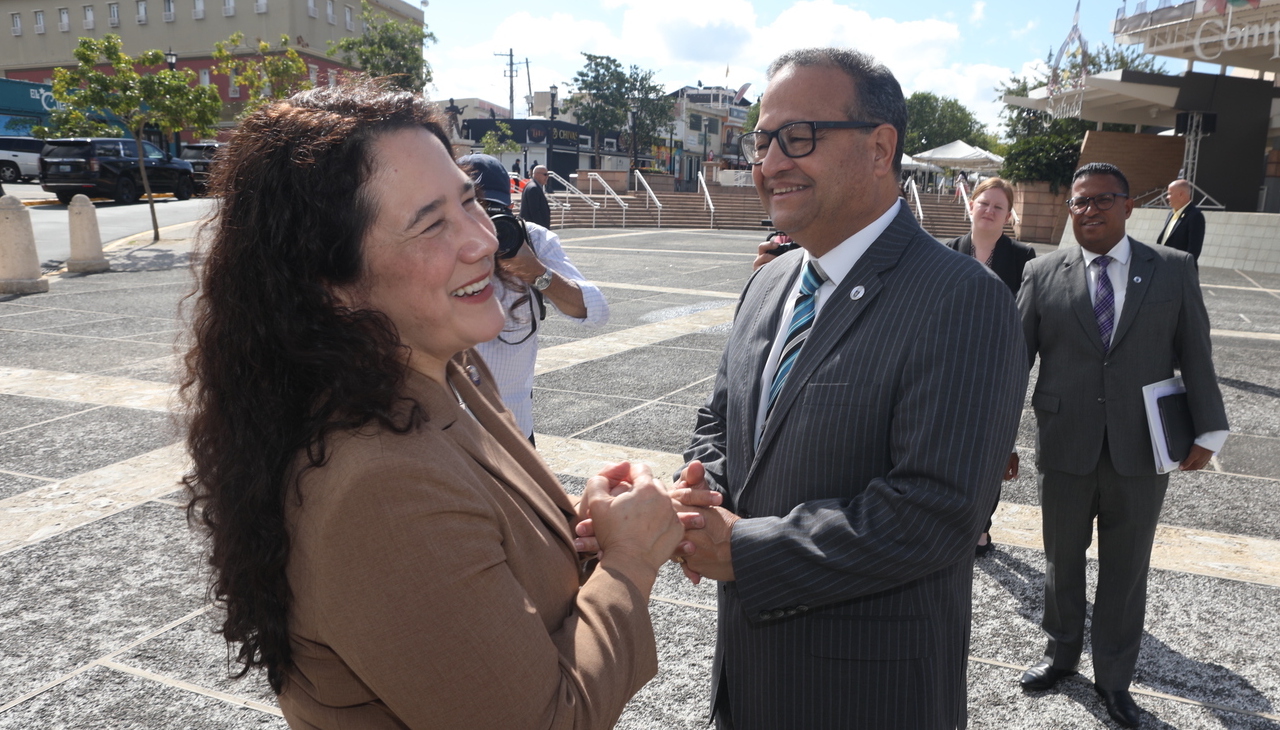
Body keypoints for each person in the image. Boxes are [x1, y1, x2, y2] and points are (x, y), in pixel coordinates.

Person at [181, 83, 691, 729]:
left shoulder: (446, 370)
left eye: (472, 200)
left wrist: (588, 532)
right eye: (431, 224)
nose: (483, 240)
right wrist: (629, 561)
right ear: (327, 281)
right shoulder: (380, 484)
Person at [670, 47, 1027, 729]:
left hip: (867, 698)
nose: (770, 162)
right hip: (749, 687)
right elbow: (721, 420)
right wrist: (700, 491)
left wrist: (743, 550)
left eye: (798, 137)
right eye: (762, 139)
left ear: (879, 147)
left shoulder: (962, 300)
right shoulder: (770, 279)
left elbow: (937, 513)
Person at [1016, 162, 1228, 728]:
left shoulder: (1173, 269)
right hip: (1064, 446)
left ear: (1130, 206)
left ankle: (1114, 681)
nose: (1090, 210)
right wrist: (995, 440)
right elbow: (1016, 363)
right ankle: (1060, 657)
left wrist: (1208, 428)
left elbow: (1196, 352)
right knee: (1061, 562)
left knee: (1126, 569)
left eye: (1103, 199)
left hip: (1143, 447)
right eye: (1080, 202)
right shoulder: (1042, 272)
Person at [459, 153, 609, 440]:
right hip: (445, 433)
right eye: (472, 209)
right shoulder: (437, 243)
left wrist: (537, 273)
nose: (484, 226)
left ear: (510, 207)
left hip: (512, 428)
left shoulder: (532, 240)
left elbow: (597, 312)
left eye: (492, 210)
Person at [943, 176, 1037, 557]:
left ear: (1008, 215)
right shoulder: (949, 252)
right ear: (971, 206)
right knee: (947, 447)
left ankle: (981, 526)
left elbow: (1030, 317)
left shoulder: (1023, 257)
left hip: (999, 370)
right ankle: (949, 521)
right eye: (984, 203)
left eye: (999, 206)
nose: (989, 211)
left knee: (990, 450)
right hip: (948, 369)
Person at [1156, 178, 1206, 263]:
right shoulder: (1171, 214)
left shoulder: (1195, 216)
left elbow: (1193, 252)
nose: (1167, 197)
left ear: (1181, 195)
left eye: (1170, 194)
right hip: (1164, 268)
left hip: (1179, 272)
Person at [521, 164, 553, 229]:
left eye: (548, 175)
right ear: (537, 175)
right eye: (545, 174)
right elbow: (535, 212)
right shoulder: (533, 188)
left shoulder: (532, 185)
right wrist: (542, 229)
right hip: (535, 230)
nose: (547, 177)